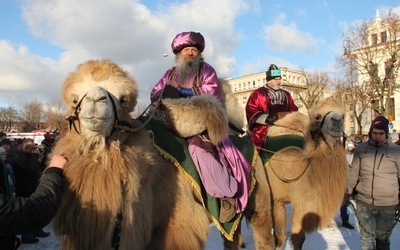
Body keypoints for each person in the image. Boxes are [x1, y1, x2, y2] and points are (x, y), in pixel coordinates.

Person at [151, 31, 251, 223]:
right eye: (186, 49)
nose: (190, 53)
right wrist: (163, 92)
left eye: (193, 50)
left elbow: (212, 94)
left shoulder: (206, 70)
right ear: (178, 53)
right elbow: (155, 92)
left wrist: (182, 91)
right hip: (171, 120)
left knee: (198, 149)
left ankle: (225, 197)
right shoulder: (169, 74)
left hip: (201, 122)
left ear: (199, 53)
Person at [345, 116, 400, 250]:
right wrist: (347, 191)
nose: (377, 136)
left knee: (382, 241)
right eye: (374, 133)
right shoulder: (361, 149)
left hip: (387, 204)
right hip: (365, 202)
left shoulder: (396, 151)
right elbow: (354, 172)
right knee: (366, 241)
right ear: (370, 133)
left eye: (381, 134)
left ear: (386, 134)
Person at [0, 153, 67, 250]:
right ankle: (28, 237)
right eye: (30, 148)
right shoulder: (20, 159)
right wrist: (54, 170)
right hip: (26, 192)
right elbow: (33, 212)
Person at [245, 64, 298, 149]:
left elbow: (293, 110)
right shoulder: (258, 94)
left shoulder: (286, 94)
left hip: (285, 128)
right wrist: (265, 118)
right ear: (268, 80)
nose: (279, 81)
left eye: (280, 79)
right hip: (264, 129)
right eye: (276, 79)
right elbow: (251, 109)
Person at [9, 139, 47, 243]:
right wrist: (35, 157)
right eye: (33, 148)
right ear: (26, 148)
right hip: (25, 190)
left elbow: (35, 169)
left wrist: (39, 160)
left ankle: (37, 230)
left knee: (36, 212)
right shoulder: (18, 156)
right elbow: (28, 169)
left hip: (33, 188)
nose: (35, 150)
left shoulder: (28, 156)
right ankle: (27, 236)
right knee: (27, 214)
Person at [340, 141, 355, 229]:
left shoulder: (354, 154)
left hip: (347, 179)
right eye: (348, 147)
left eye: (351, 146)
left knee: (343, 202)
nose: (349, 148)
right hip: (340, 178)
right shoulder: (343, 154)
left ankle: (345, 220)